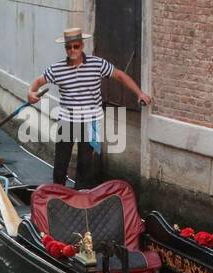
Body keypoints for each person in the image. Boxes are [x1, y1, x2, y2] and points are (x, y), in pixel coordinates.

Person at [27, 27, 150, 189]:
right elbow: (38, 81)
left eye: (75, 46)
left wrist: (139, 93)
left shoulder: (97, 64)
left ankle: (80, 198)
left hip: (91, 121)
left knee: (85, 165)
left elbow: (120, 75)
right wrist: (31, 93)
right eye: (68, 47)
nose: (72, 50)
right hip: (67, 121)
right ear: (65, 48)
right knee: (60, 165)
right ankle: (58, 195)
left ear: (82, 46)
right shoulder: (57, 69)